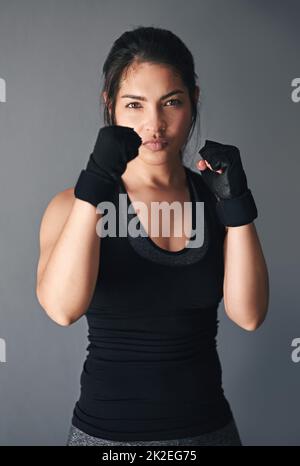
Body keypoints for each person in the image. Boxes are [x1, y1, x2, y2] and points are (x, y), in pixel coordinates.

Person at [36, 26, 269, 446]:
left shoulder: (217, 201)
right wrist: (95, 186)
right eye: (134, 105)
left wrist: (237, 208)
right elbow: (61, 309)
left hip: (209, 434)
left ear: (193, 100)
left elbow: (249, 315)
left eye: (171, 103)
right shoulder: (71, 205)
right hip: (107, 439)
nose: (154, 124)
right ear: (110, 106)